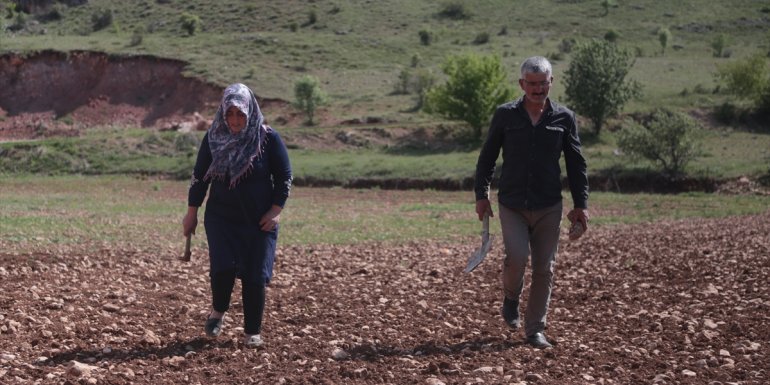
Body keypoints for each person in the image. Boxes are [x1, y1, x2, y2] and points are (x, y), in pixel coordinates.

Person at [474, 56, 589, 348]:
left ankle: (535, 329)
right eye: (532, 84)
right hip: (512, 203)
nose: (538, 89)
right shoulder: (505, 115)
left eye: (543, 83)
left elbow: (576, 164)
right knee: (517, 257)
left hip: (549, 204)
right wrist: (481, 196)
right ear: (522, 84)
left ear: (551, 82)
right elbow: (487, 158)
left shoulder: (564, 117)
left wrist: (581, 206)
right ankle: (511, 297)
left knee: (544, 268)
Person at [182, 83, 292, 348]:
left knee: (255, 274)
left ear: (250, 112)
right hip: (221, 217)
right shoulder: (213, 138)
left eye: (240, 114)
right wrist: (191, 213)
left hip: (259, 220)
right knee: (223, 267)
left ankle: (252, 332)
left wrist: (275, 211)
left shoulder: (267, 138)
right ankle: (218, 311)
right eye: (230, 113)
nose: (234, 120)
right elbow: (199, 178)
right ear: (222, 113)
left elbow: (284, 176)